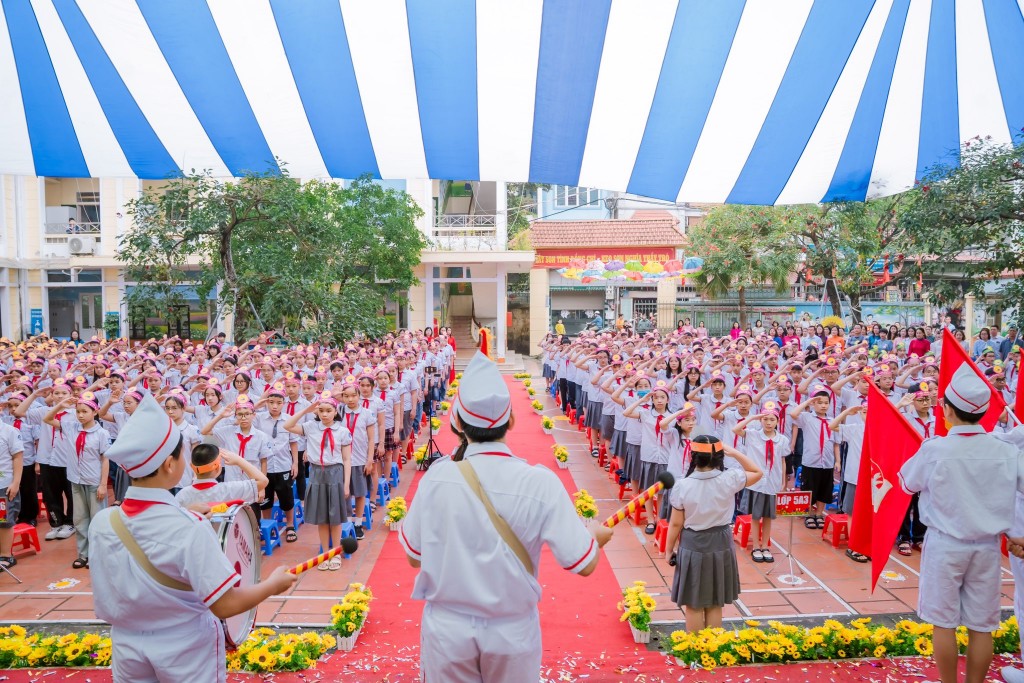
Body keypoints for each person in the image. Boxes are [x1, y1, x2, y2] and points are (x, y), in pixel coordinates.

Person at [399, 352, 613, 682]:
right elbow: (582, 563)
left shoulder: (436, 478)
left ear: (457, 424)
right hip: (512, 632)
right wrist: (595, 538)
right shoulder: (539, 481)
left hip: (448, 631)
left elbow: (415, 557)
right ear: (511, 421)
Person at [89, 393, 297, 682]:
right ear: (169, 465)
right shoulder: (189, 527)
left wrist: (184, 512)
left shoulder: (102, 521)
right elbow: (225, 604)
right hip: (183, 648)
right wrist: (272, 585)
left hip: (125, 644)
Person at [899, 365, 1024, 683]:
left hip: (945, 545)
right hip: (986, 548)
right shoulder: (1006, 451)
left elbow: (906, 484)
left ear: (947, 410)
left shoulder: (935, 450)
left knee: (944, 622)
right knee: (982, 625)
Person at [664, 435, 762, 632]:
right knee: (715, 601)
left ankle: (694, 650)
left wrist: (668, 550)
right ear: (719, 457)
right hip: (721, 541)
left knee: (693, 602)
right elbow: (757, 472)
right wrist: (733, 452)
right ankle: (713, 647)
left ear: (694, 457)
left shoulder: (682, 485)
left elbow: (675, 524)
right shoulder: (730, 478)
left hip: (693, 543)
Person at [0, 415, 23, 569]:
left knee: (3, 521)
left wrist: (15, 483)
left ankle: (6, 555)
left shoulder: (9, 431)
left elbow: (17, 457)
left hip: (4, 485)